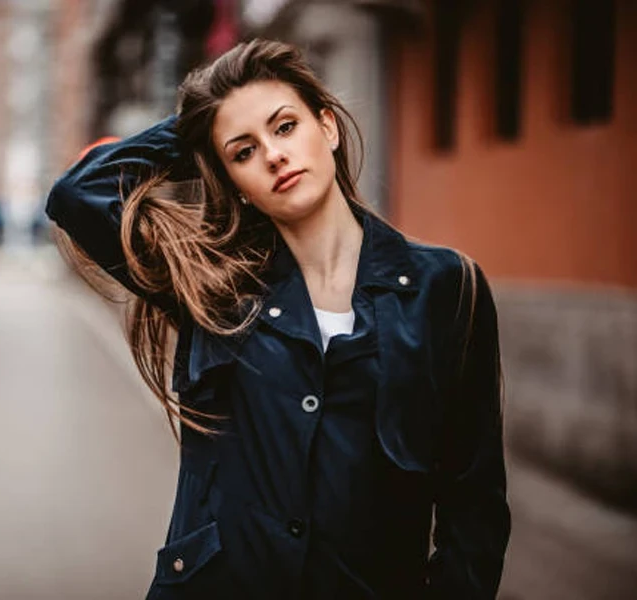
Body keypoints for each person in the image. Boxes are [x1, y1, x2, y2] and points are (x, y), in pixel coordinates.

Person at [46, 39, 510, 600]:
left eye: (285, 127)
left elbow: (474, 505)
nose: (272, 155)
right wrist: (202, 123)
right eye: (243, 152)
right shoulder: (211, 283)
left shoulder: (445, 287)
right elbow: (79, 193)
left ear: (329, 127)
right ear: (232, 181)